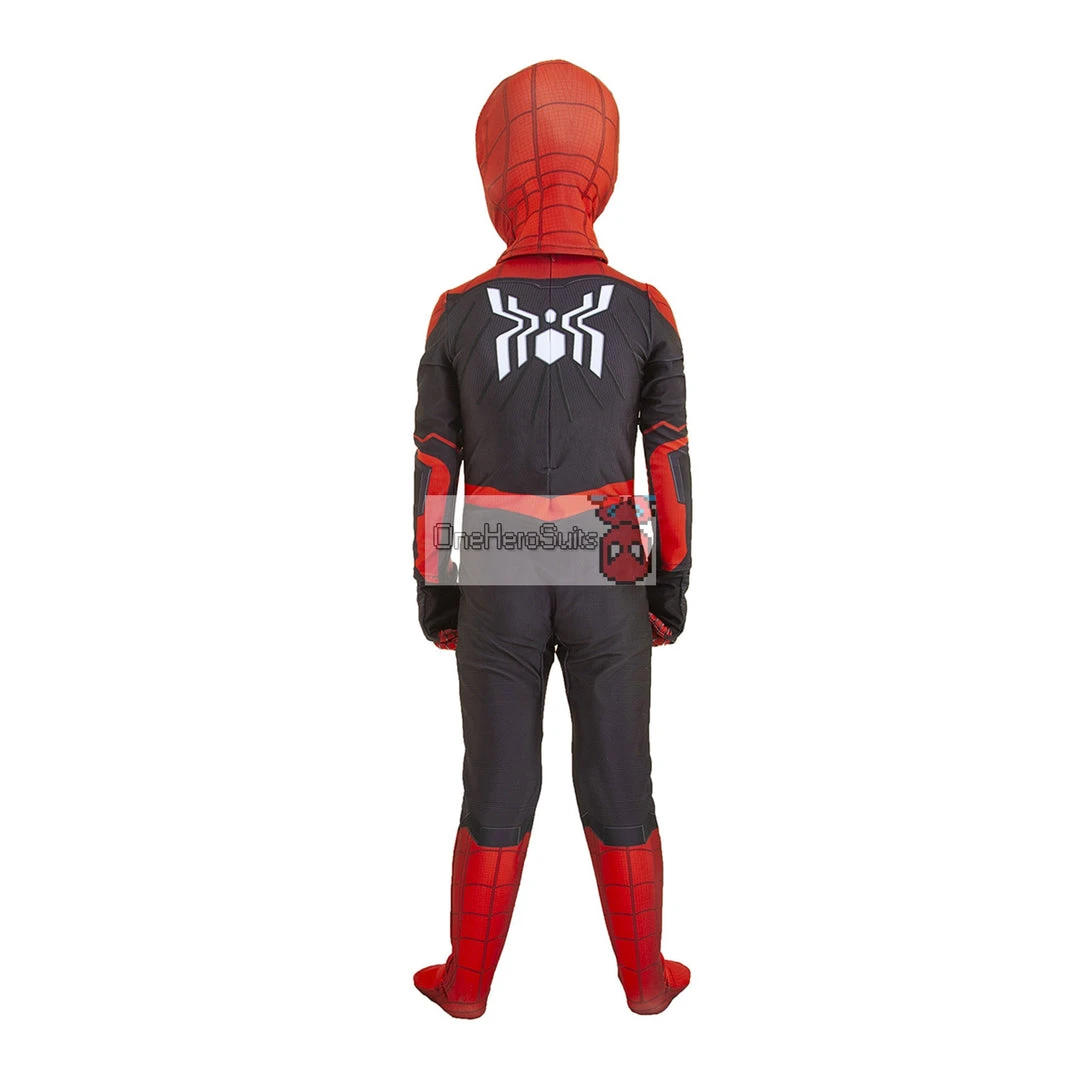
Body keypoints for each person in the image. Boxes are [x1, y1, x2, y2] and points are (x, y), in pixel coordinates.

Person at [411, 59, 693, 1017]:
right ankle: (646, 982)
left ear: (496, 167)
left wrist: (437, 595)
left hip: (496, 565)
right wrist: (670, 589)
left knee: (495, 781)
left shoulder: (456, 310)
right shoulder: (645, 307)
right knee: (620, 776)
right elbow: (670, 466)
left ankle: (466, 986)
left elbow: (434, 472)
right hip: (610, 564)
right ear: (601, 164)